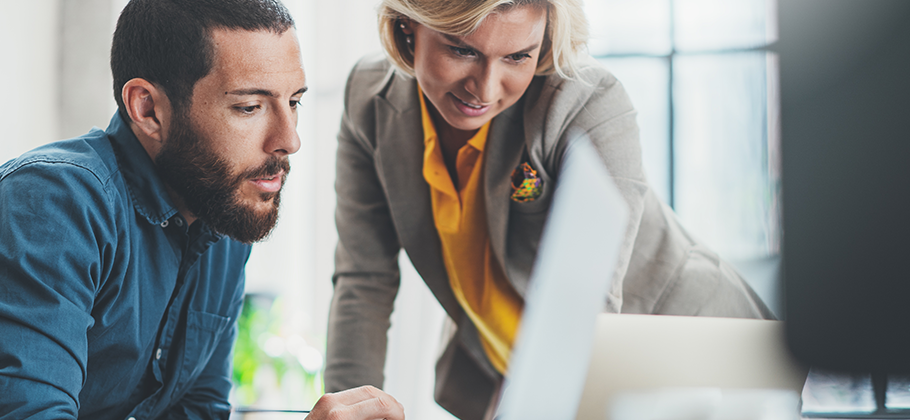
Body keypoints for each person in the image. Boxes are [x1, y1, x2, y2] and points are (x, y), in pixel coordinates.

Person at [0, 0, 404, 419]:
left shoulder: (222, 220)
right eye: (249, 106)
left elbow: (194, 412)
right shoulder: (47, 205)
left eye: (294, 103)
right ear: (147, 108)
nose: (288, 139)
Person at [323, 0, 774, 418]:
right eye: (461, 50)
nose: (485, 87)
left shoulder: (586, 102)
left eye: (517, 56)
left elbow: (588, 309)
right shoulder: (369, 101)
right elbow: (364, 280)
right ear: (408, 27)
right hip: (512, 370)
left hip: (694, 356)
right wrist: (349, 410)